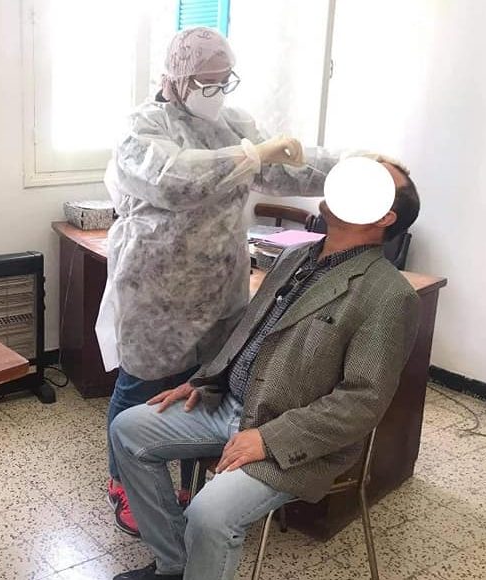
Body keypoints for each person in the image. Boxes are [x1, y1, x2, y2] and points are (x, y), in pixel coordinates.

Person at [109, 162, 422, 580]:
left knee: (209, 514)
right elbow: (250, 332)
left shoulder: (388, 295)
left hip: (291, 435)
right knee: (128, 429)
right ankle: (175, 567)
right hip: (231, 404)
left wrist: (268, 439)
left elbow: (362, 403)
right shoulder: (295, 256)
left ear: (385, 217)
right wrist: (204, 380)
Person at [97, 26, 340, 536]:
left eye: (224, 80)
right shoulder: (142, 127)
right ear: (177, 78)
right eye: (206, 81)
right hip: (155, 292)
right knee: (140, 386)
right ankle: (124, 482)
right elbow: (175, 180)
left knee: (203, 389)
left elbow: (286, 171)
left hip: (219, 288)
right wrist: (252, 154)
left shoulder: (233, 124)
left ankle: (189, 484)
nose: (216, 91)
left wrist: (353, 167)